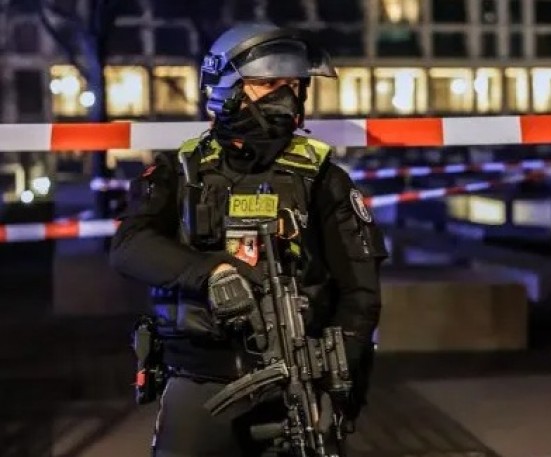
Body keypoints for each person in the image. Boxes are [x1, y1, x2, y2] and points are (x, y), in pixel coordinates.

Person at [109, 22, 387, 457]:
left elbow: (361, 293)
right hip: (199, 379)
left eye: (293, 85)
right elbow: (129, 245)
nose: (285, 96)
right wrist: (211, 273)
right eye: (266, 84)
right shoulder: (180, 171)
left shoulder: (322, 178)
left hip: (299, 383)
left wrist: (341, 383)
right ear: (227, 89)